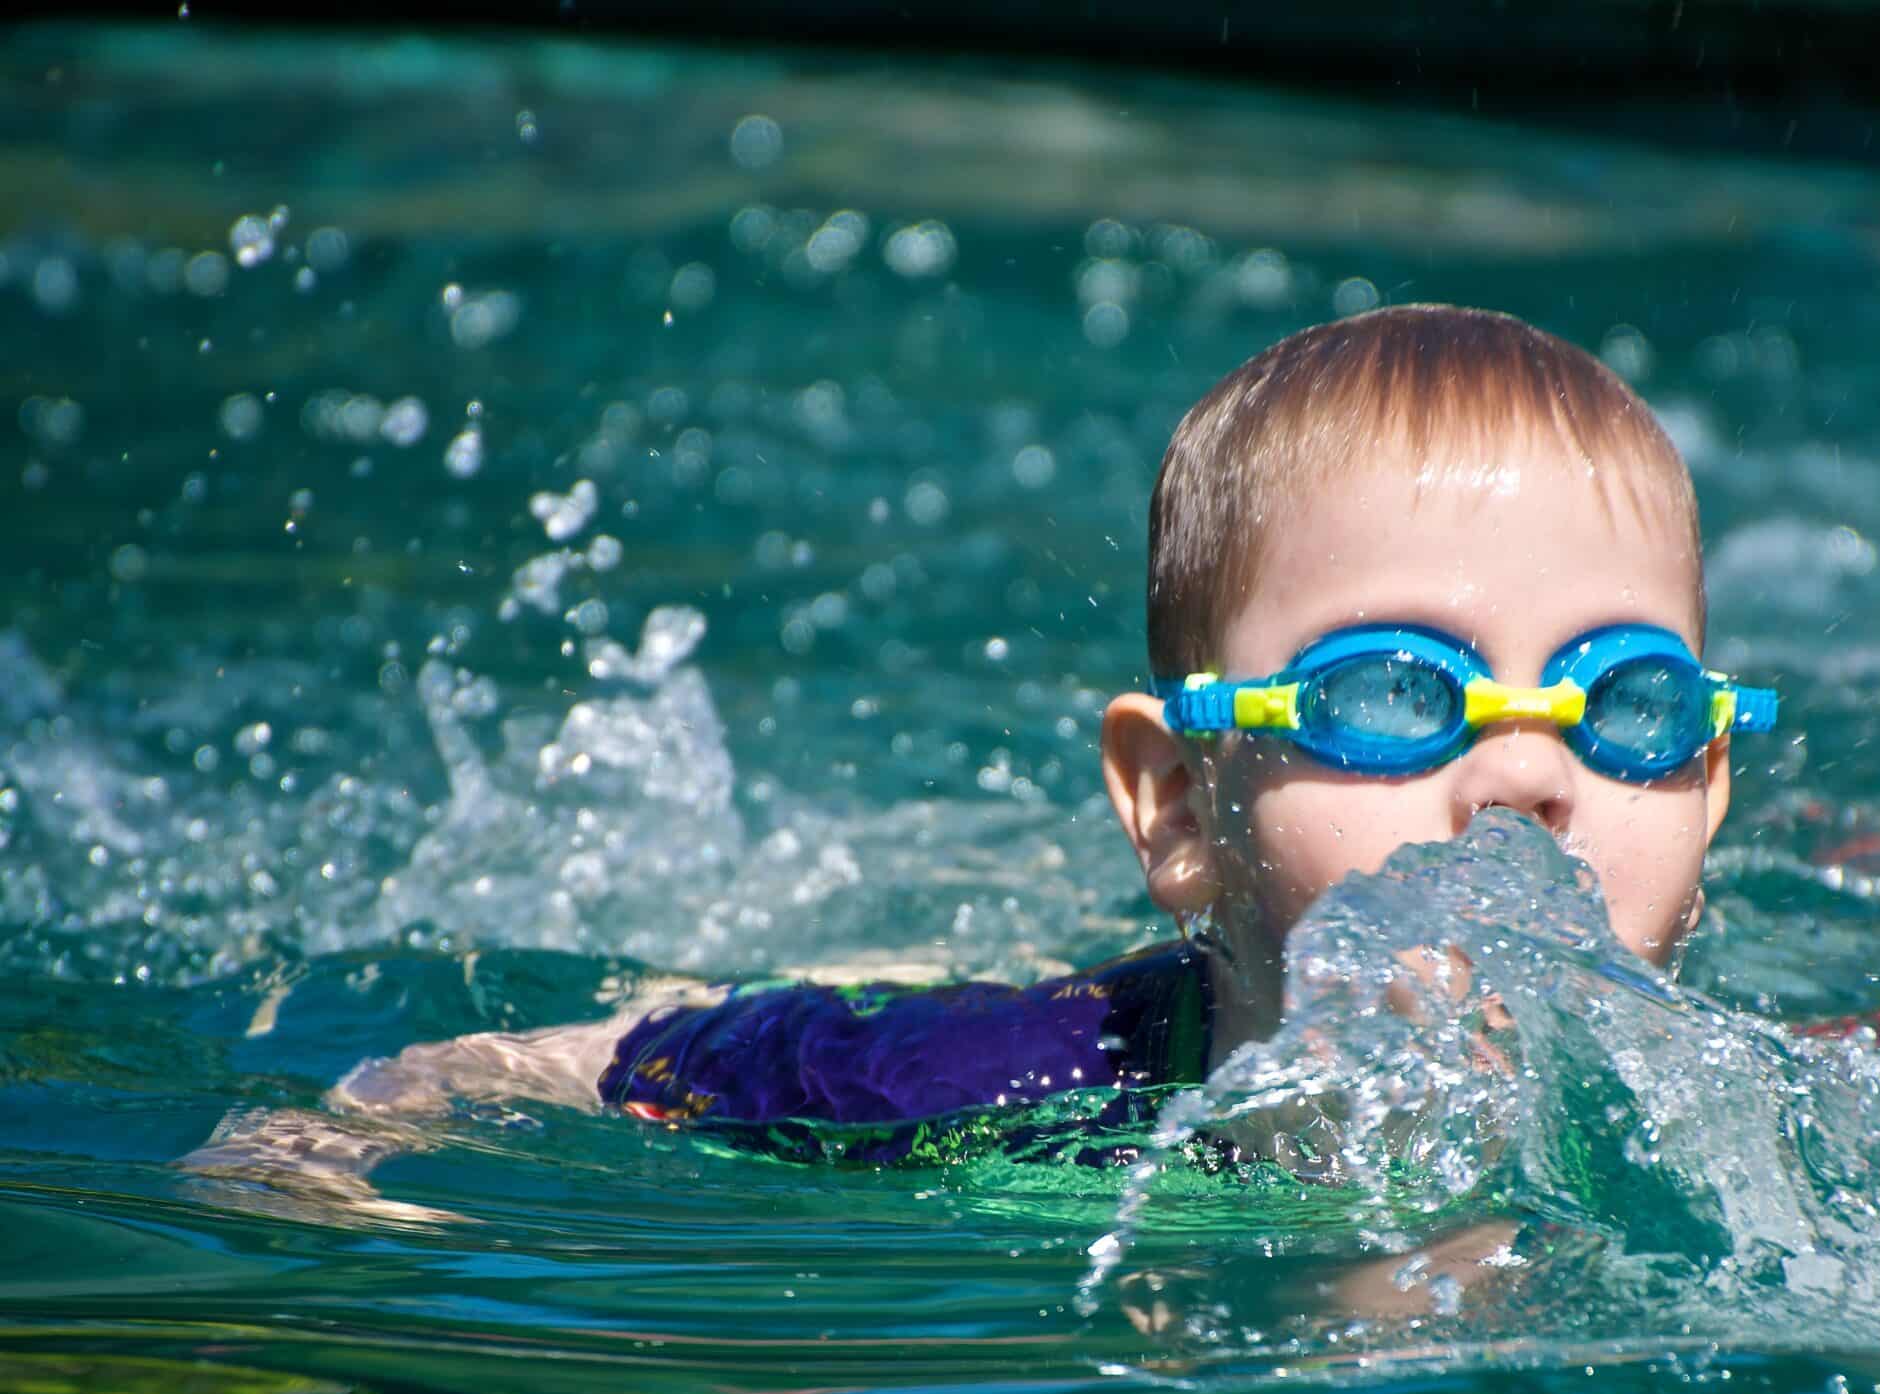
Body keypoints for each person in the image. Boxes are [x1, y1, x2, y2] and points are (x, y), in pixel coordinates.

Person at [186, 305, 1778, 1210]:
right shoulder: (993, 1082)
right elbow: (586, 1060)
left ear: (1708, 785)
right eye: (1395, 692)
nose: (1526, 778)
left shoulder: (1770, 1135)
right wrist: (355, 1128)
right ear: (1183, 808)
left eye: (1627, 702)